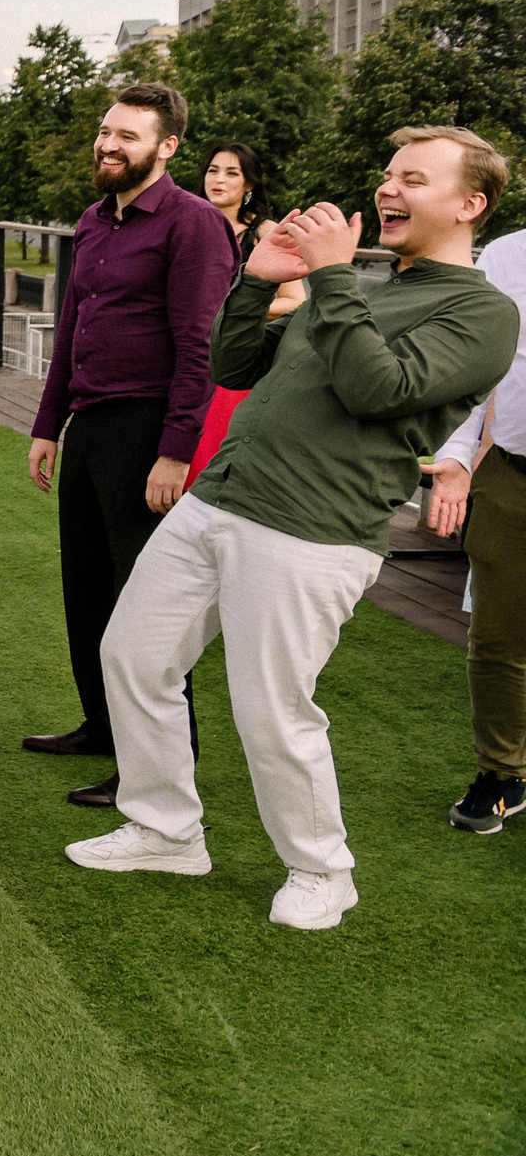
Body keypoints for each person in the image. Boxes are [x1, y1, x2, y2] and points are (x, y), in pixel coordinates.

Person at [71, 128, 518, 930]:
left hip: (311, 530)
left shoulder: (482, 312)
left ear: (468, 204)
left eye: (412, 178)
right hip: (218, 499)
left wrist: (334, 275)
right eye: (387, 174)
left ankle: (322, 870)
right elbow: (235, 367)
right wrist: (255, 280)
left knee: (271, 707)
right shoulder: (366, 284)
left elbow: (378, 388)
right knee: (131, 656)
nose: (388, 188)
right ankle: (166, 828)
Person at [23, 83, 234, 810]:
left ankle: (158, 763)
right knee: (85, 587)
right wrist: (49, 424)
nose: (109, 145)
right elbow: (72, 329)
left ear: (167, 146)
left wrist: (175, 451)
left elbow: (199, 350)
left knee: (144, 602)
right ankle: (103, 725)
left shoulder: (194, 224)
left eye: (128, 136)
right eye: (106, 131)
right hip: (89, 423)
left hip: (147, 430)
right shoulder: (92, 221)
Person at [423, 224, 526, 833]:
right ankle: (503, 774)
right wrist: (459, 455)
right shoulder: (508, 254)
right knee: (497, 637)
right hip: (510, 472)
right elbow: (485, 368)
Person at [184, 142, 304, 490]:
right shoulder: (189, 224)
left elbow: (295, 302)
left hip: (229, 365)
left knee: (209, 462)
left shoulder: (266, 233)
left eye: (231, 173)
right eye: (212, 170)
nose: (218, 179)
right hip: (182, 355)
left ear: (249, 184)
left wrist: (235, 310)